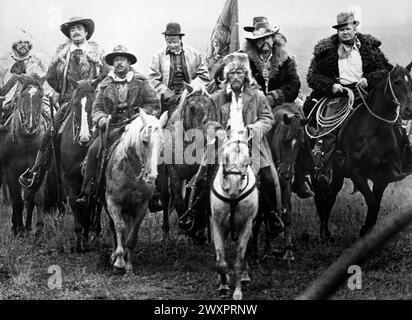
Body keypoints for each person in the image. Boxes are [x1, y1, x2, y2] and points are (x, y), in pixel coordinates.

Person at [180, 52, 284, 242]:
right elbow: (207, 122)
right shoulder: (216, 98)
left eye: (240, 73)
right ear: (226, 76)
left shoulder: (258, 96)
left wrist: (254, 128)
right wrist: (218, 131)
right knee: (201, 176)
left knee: (269, 178)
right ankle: (193, 215)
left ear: (246, 75)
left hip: (252, 145)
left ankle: (273, 216)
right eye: (232, 73)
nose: (236, 77)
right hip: (221, 146)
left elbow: (267, 118)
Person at [303, 10, 411, 185]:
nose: (345, 32)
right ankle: (322, 168)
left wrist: (367, 79)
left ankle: (400, 162)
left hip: (366, 93)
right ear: (337, 31)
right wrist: (331, 85)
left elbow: (383, 69)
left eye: (348, 28)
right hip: (339, 95)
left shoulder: (370, 47)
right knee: (327, 129)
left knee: (394, 122)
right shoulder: (326, 51)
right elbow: (313, 76)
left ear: (355, 28)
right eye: (341, 29)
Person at [216, 17, 314, 198]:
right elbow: (223, 76)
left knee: (298, 124)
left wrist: (275, 96)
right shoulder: (242, 58)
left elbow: (294, 84)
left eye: (268, 37)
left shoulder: (286, 59)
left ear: (274, 38)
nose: (265, 42)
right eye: (260, 39)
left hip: (282, 104)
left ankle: (301, 176)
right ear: (254, 41)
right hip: (251, 105)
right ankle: (220, 173)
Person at [19, 16, 108, 189]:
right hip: (69, 101)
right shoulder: (61, 53)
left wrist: (96, 92)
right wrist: (62, 92)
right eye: (72, 30)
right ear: (69, 34)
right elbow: (51, 76)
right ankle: (36, 171)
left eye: (79, 29)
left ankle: (110, 171)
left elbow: (106, 74)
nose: (75, 32)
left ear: (86, 32)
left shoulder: (98, 52)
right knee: (50, 132)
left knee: (110, 130)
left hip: (93, 101)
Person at [75, 45, 160, 207]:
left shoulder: (141, 82)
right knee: (94, 150)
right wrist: (100, 118)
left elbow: (154, 104)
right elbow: (97, 108)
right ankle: (88, 190)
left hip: (137, 126)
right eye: (116, 60)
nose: (119, 63)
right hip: (113, 127)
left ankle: (155, 192)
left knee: (153, 147)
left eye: (122, 59)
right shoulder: (105, 84)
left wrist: (140, 115)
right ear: (113, 63)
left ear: (129, 62)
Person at [148, 22, 210, 112]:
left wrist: (192, 88)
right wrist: (168, 94)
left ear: (181, 39)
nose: (172, 45)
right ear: (165, 40)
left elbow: (204, 75)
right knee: (160, 122)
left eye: (175, 42)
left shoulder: (194, 54)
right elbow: (153, 80)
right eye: (169, 42)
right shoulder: (157, 57)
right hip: (167, 100)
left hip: (191, 95)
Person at [0, 29, 51, 123]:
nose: (23, 45)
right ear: (14, 44)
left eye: (26, 42)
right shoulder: (3, 60)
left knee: (52, 118)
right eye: (20, 42)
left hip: (35, 98)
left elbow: (48, 78)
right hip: (9, 100)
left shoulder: (39, 60)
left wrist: (46, 92)